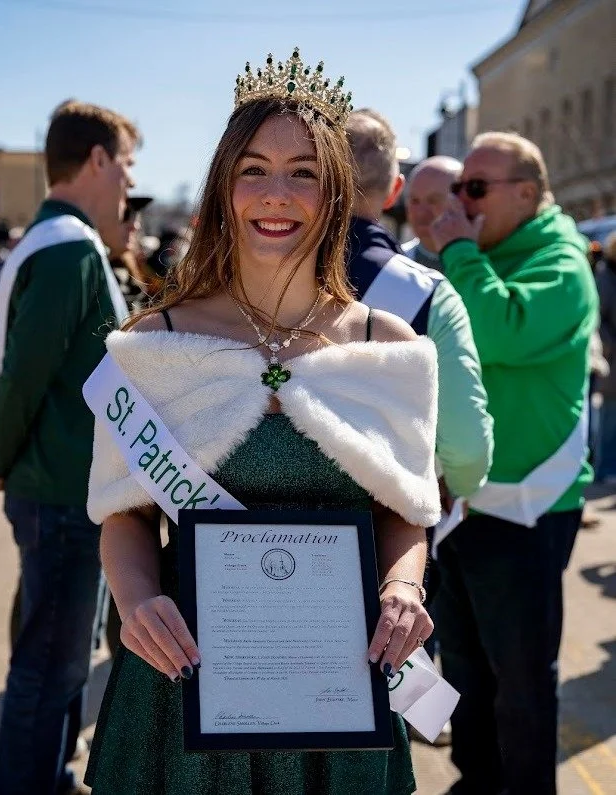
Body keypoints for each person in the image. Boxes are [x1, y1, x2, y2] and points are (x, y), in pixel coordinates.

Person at [83, 48, 442, 794]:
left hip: (338, 706)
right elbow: (123, 516)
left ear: (336, 192)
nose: (275, 195)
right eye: (253, 169)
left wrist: (405, 588)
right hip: (184, 693)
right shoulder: (156, 343)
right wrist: (137, 598)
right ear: (224, 187)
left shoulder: (390, 348)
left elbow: (404, 514)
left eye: (303, 172)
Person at [430, 131, 598, 795]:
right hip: (466, 502)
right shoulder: (487, 251)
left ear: (526, 194)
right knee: (467, 669)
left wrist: (460, 252)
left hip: (527, 508)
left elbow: (495, 327)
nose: (460, 204)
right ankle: (479, 780)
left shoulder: (562, 260)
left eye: (475, 189)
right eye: (457, 189)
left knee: (521, 680)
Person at [0, 99, 138, 795]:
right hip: (61, 489)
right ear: (97, 160)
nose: (129, 184)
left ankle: (52, 772)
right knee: (49, 662)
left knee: (64, 659)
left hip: (68, 486)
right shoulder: (68, 246)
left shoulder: (59, 239)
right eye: (126, 165)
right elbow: (23, 376)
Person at [345, 109, 493, 744]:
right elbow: (466, 442)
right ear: (395, 192)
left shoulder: (248, 279)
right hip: (390, 538)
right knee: (371, 719)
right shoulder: (427, 293)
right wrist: (458, 485)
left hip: (248, 532)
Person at [401, 156, 463, 271]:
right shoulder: (392, 267)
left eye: (433, 201)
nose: (421, 212)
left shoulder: (485, 268)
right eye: (414, 201)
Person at [595, 231, 616, 482]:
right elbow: (598, 320)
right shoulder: (605, 276)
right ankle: (604, 469)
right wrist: (609, 347)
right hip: (612, 360)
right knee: (609, 418)